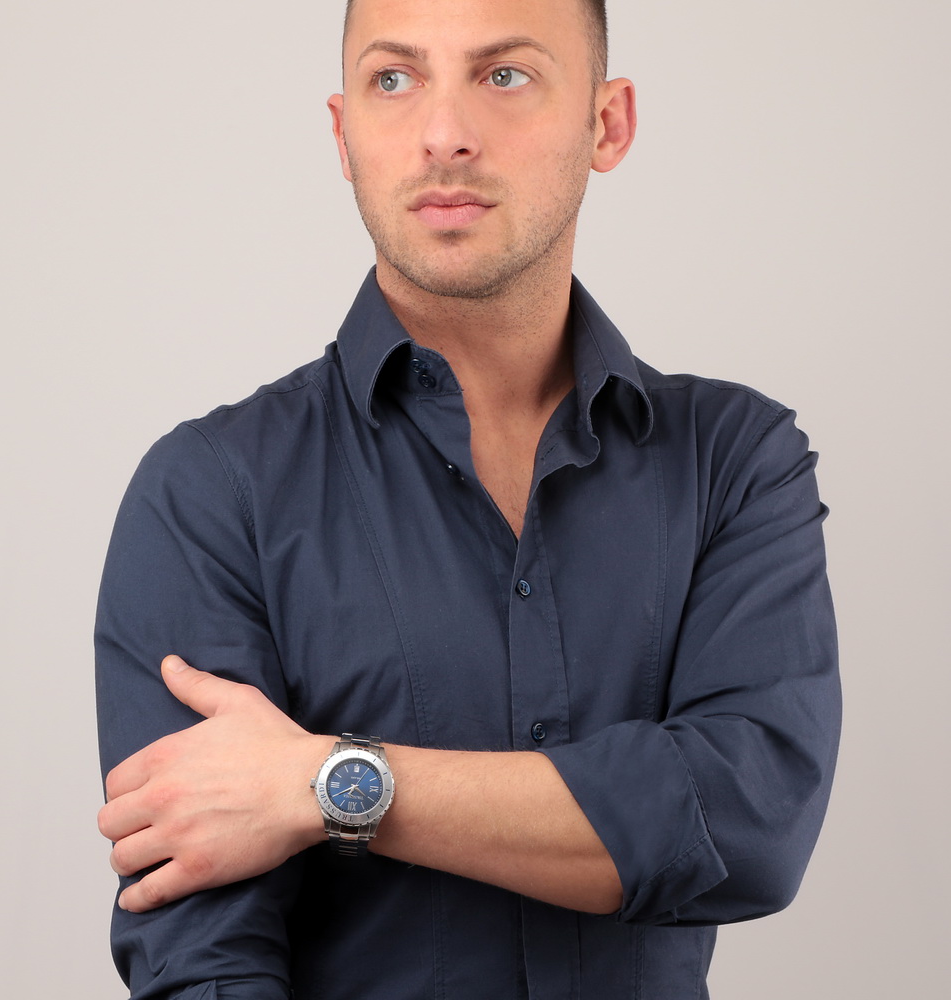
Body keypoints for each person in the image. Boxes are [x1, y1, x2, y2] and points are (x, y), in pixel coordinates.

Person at [95, 0, 841, 997]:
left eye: (504, 74)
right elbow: (204, 963)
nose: (443, 133)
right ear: (343, 135)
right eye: (393, 79)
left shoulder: (735, 461)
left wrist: (329, 783)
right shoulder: (210, 492)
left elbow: (745, 826)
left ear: (607, 123)